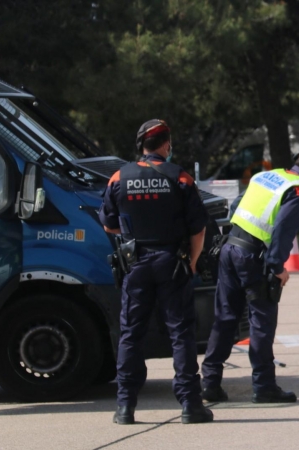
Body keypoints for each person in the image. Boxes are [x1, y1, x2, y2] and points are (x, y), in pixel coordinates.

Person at [98, 119, 213, 425]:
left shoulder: (119, 177)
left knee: (131, 335)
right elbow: (198, 229)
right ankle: (190, 405)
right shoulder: (181, 178)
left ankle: (125, 408)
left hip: (135, 265)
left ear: (142, 146)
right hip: (172, 263)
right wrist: (191, 262)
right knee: (180, 334)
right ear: (166, 145)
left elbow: (108, 223)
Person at [200, 146, 299, 403]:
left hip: (230, 248)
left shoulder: (266, 176)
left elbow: (238, 206)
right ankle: (264, 387)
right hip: (254, 258)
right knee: (261, 323)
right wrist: (277, 269)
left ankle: (210, 383)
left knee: (225, 318)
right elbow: (282, 232)